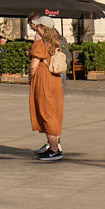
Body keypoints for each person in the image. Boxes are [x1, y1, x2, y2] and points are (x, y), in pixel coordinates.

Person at [29, 22, 66, 159]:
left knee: (46, 113)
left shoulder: (39, 44)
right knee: (54, 112)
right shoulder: (56, 43)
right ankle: (54, 145)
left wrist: (30, 79)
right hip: (55, 80)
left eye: (37, 27)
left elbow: (33, 66)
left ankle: (54, 149)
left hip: (43, 79)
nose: (35, 29)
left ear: (43, 28)